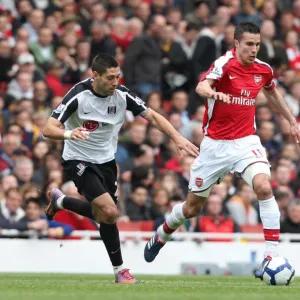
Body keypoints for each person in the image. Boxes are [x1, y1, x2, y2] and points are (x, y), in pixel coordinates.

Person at [144, 22, 300, 282]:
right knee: (192, 208)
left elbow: (272, 93)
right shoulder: (224, 64)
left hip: (246, 141)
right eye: (249, 44)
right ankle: (163, 233)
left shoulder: (263, 70)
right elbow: (201, 87)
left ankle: (270, 256)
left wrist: (291, 121)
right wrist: (214, 93)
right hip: (215, 146)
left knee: (264, 187)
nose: (254, 49)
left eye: (257, 44)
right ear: (236, 43)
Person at [42, 53, 199, 284]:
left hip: (107, 162)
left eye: (118, 76)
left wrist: (176, 137)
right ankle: (120, 271)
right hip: (78, 159)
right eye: (110, 77)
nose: (116, 82)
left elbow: (153, 117)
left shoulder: (122, 95)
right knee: (110, 212)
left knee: (103, 214)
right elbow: (48, 128)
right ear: (95, 75)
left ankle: (62, 202)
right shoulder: (79, 95)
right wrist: (69, 133)